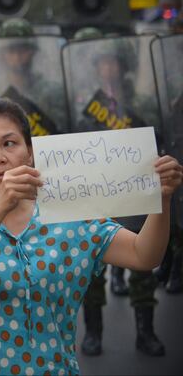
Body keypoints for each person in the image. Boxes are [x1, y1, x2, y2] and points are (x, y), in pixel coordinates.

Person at [0, 98, 182, 374]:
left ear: (30, 153)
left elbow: (144, 255)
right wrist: (0, 206)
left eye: (9, 143)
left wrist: (162, 199)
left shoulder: (69, 213)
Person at [72, 35, 167, 356]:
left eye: (113, 62)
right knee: (92, 265)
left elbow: (158, 135)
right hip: (95, 193)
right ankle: (94, 332)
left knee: (143, 270)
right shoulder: (82, 100)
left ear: (123, 65)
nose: (108, 68)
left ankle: (146, 331)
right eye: (102, 63)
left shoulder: (140, 99)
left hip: (134, 192)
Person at [0, 18, 66, 135]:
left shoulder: (52, 92)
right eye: (11, 50)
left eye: (23, 49)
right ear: (2, 54)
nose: (17, 56)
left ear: (33, 52)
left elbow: (60, 134)